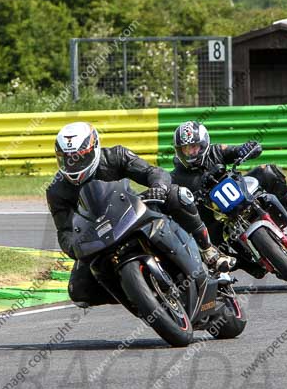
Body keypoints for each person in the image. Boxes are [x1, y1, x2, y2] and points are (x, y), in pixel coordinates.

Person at [47, 121, 235, 307]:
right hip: (98, 236)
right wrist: (77, 249)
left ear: (94, 148)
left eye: (80, 157)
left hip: (130, 212)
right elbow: (65, 232)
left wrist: (159, 188)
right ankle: (138, 296)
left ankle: (208, 249)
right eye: (66, 158)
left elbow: (153, 172)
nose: (73, 165)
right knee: (79, 292)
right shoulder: (56, 191)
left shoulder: (115, 156)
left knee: (176, 195)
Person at [170, 120, 287, 233]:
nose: (191, 153)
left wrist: (248, 148)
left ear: (204, 144)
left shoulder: (215, 151)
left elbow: (237, 150)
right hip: (213, 217)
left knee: (267, 171)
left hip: (238, 191)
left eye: (194, 147)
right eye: (186, 149)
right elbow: (167, 193)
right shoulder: (177, 175)